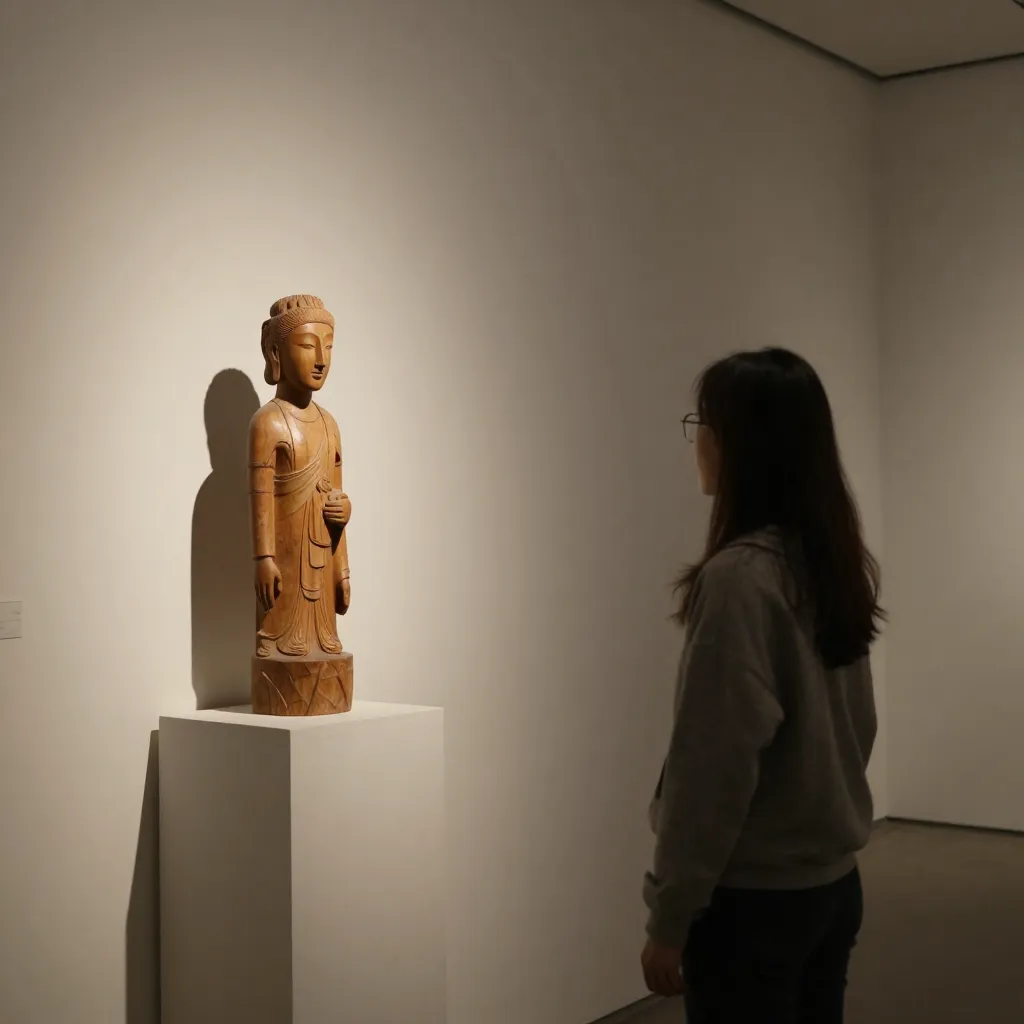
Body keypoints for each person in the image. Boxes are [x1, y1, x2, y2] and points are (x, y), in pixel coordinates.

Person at [640, 347, 883, 1023]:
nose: (699, 441)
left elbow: (711, 767)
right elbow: (857, 728)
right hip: (832, 887)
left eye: (704, 423)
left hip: (754, 906)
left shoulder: (738, 581)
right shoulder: (830, 563)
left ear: (740, 443)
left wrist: (670, 914)